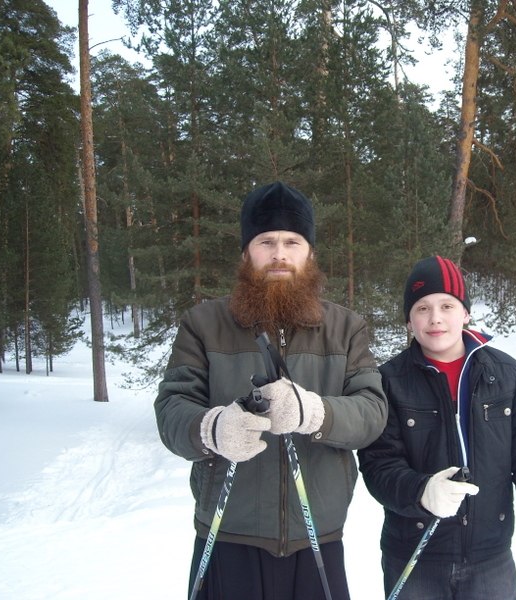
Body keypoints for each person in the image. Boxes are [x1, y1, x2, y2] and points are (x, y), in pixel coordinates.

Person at [154, 181, 388, 600]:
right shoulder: (203, 325)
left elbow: (372, 412)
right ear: (247, 253)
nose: (280, 253)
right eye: (266, 241)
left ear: (309, 253)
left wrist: (316, 413)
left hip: (318, 533)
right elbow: (172, 408)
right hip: (228, 533)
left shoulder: (345, 328)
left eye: (292, 242)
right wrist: (212, 428)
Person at [358, 256, 516, 600]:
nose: (435, 318)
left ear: (465, 313)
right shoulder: (388, 381)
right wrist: (421, 491)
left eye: (446, 305)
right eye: (422, 308)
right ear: (409, 320)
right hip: (415, 555)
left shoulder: (505, 374)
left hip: (490, 559)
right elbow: (378, 465)